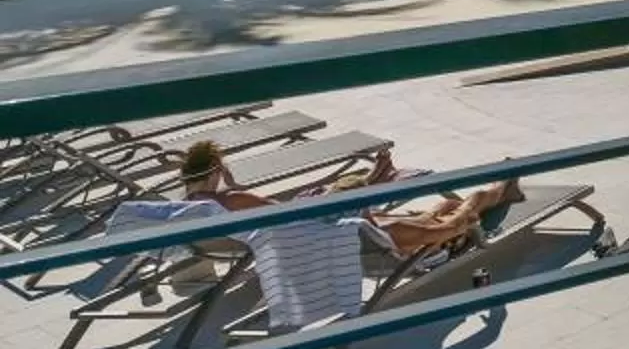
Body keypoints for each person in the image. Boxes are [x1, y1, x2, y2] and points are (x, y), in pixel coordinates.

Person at [180, 140, 522, 257]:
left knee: (443, 208)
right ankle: (502, 186)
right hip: (320, 229)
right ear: (216, 171)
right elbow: (287, 215)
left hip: (309, 232)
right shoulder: (233, 199)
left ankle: (373, 180)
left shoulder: (185, 213)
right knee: (467, 203)